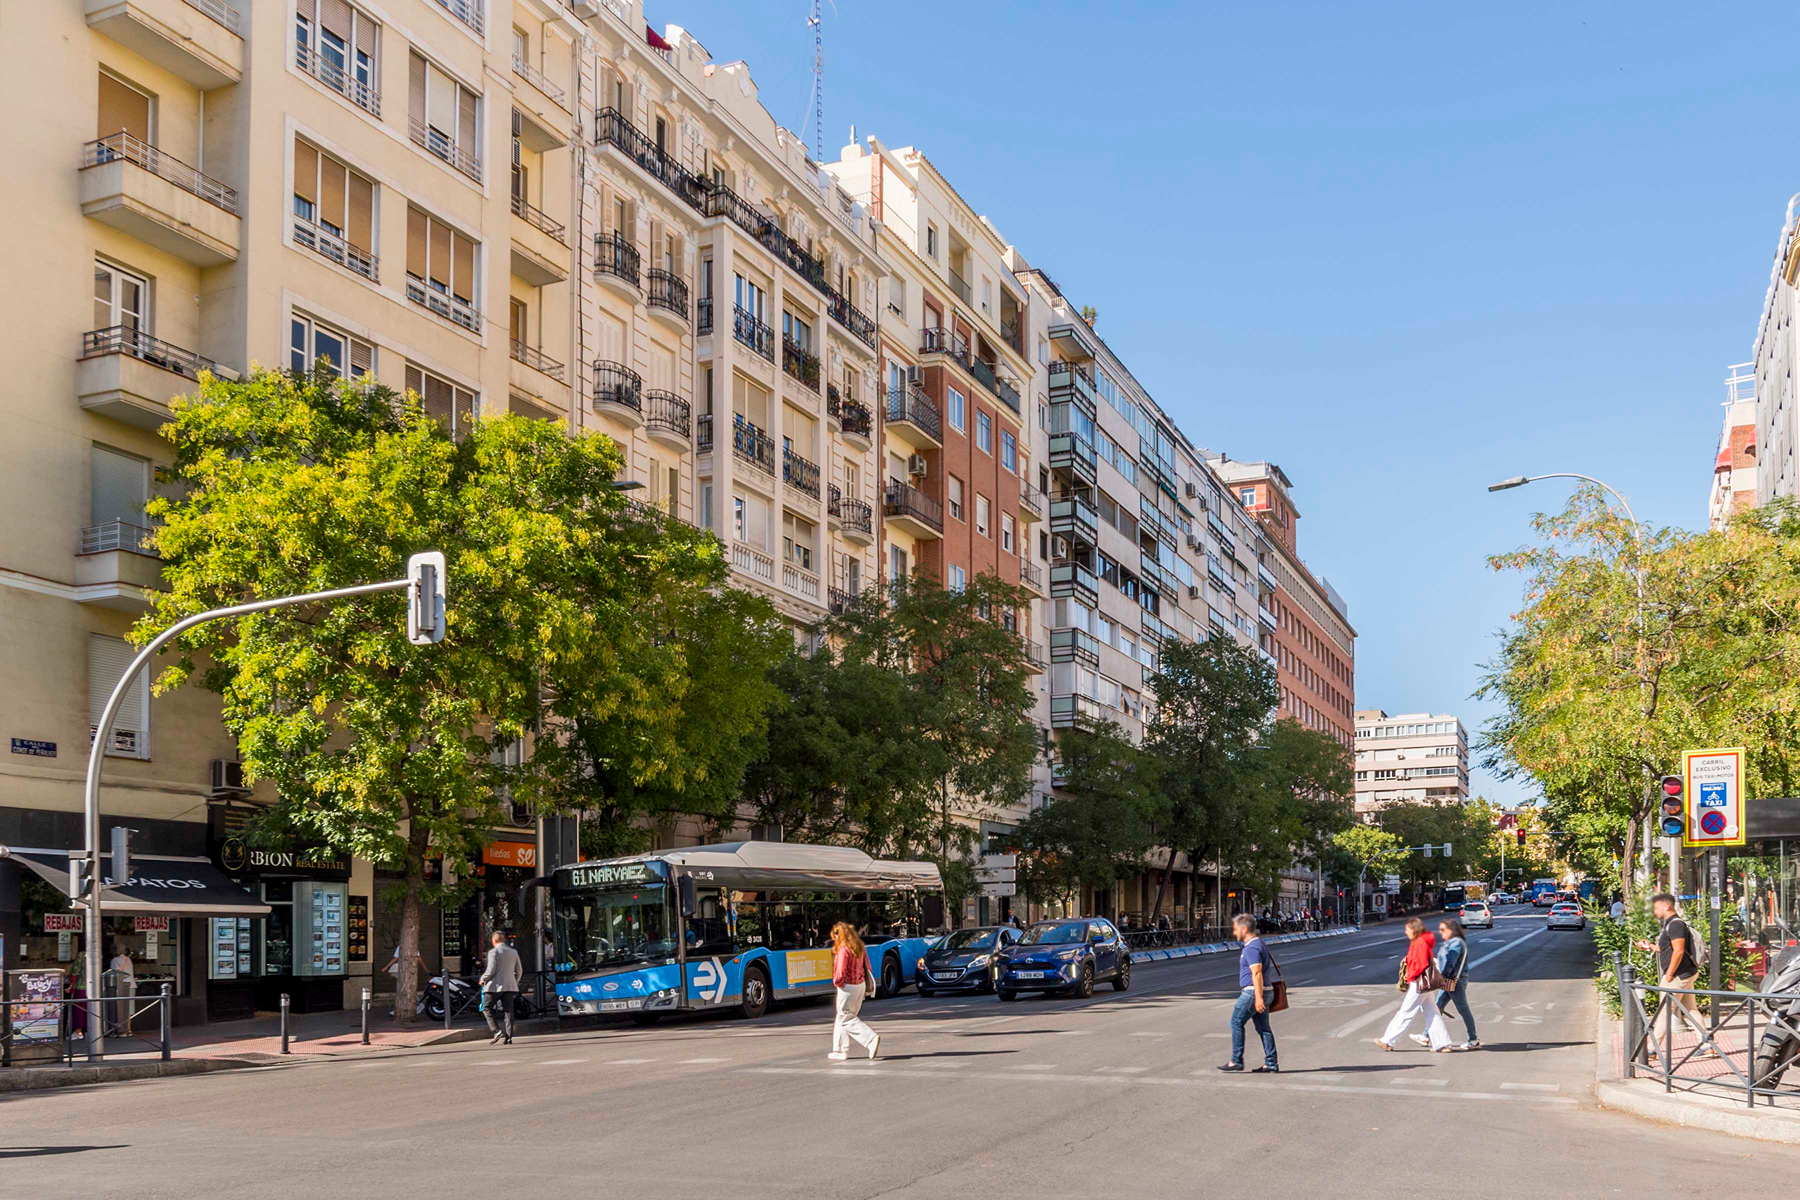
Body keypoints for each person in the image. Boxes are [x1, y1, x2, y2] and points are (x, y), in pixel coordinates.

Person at [1634, 893, 1715, 1058]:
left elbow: (1678, 951)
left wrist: (1669, 974)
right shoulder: (1670, 924)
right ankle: (1706, 1045)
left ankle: (1651, 1050)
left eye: (1656, 908)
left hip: (1678, 975)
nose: (1655, 911)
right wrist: (1649, 946)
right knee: (1691, 1010)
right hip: (1686, 973)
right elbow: (1667, 949)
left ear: (1666, 906)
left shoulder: (1676, 925)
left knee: (1664, 1012)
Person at [1378, 917, 1453, 1052]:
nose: (1406, 932)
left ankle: (1388, 1040)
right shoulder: (1422, 941)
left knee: (1406, 1012)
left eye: (1407, 929)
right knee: (1432, 1012)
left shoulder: (1419, 943)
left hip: (1419, 982)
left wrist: (1410, 976)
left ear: (1414, 930)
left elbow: (1420, 964)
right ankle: (1443, 1043)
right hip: (1425, 982)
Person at [1218, 914, 1279, 1073]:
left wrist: (1258, 998)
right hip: (1265, 990)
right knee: (1264, 1028)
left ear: (1244, 929)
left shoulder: (1252, 947)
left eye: (1236, 929)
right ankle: (1271, 1062)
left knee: (1236, 1022)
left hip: (1253, 992)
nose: (1234, 932)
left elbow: (1257, 972)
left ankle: (1236, 1060)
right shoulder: (1260, 944)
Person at [1417, 918, 1478, 1051]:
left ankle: (1473, 1039)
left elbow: (1450, 962)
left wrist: (1441, 976)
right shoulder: (1453, 942)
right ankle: (1426, 1035)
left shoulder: (1456, 943)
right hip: (1450, 980)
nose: (1440, 932)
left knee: (1463, 1009)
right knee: (1437, 1006)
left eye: (1443, 929)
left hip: (1453, 981)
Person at [828, 921, 879, 1061]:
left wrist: (837, 982)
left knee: (846, 1017)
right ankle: (839, 1050)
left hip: (847, 986)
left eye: (835, 936)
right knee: (843, 1017)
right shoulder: (859, 947)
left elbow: (840, 971)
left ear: (841, 935)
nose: (834, 939)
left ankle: (870, 1039)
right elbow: (868, 966)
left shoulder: (843, 949)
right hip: (860, 986)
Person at [479, 931, 523, 1046]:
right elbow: (519, 971)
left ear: (494, 940)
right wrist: (515, 982)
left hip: (495, 986)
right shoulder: (513, 952)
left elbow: (491, 970)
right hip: (510, 986)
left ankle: (496, 1031)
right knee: (508, 1011)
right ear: (504, 940)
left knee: (486, 1008)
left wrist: (483, 979)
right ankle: (509, 1037)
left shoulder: (494, 952)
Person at [106, 942, 136, 1037]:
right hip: (131, 985)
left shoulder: (114, 961)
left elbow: (114, 973)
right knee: (129, 1008)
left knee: (119, 1008)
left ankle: (120, 1030)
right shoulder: (128, 960)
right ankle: (128, 1029)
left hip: (119, 986)